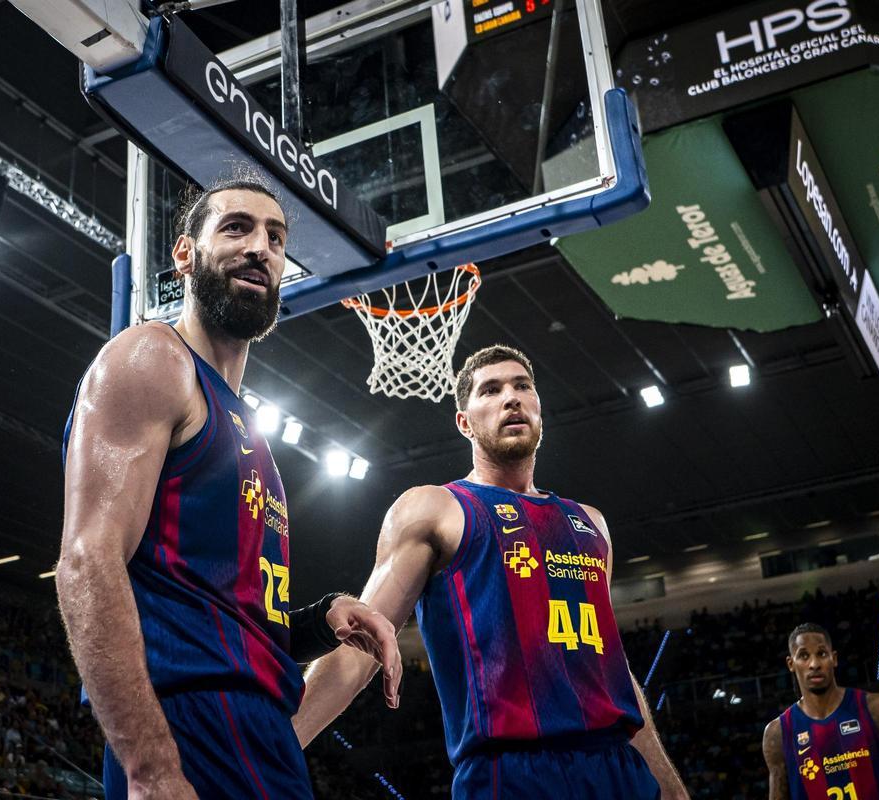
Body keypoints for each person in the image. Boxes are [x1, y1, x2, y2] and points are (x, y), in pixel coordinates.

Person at [57, 170, 401, 800]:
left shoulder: (246, 423)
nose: (259, 248)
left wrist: (323, 623)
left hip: (261, 726)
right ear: (185, 255)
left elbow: (223, 615)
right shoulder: (152, 359)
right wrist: (152, 768)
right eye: (236, 228)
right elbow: (86, 561)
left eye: (275, 237)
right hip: (191, 726)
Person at [294, 345, 688, 799]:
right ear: (465, 422)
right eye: (492, 390)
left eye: (523, 386)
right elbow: (362, 643)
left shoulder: (591, 523)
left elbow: (610, 668)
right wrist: (276, 746)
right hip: (513, 775)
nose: (512, 398)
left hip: (619, 771)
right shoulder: (436, 508)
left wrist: (672, 790)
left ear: (540, 409)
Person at [762, 623, 879, 800]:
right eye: (804, 656)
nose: (814, 664)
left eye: (821, 654)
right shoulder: (778, 733)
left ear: (833, 659)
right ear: (791, 663)